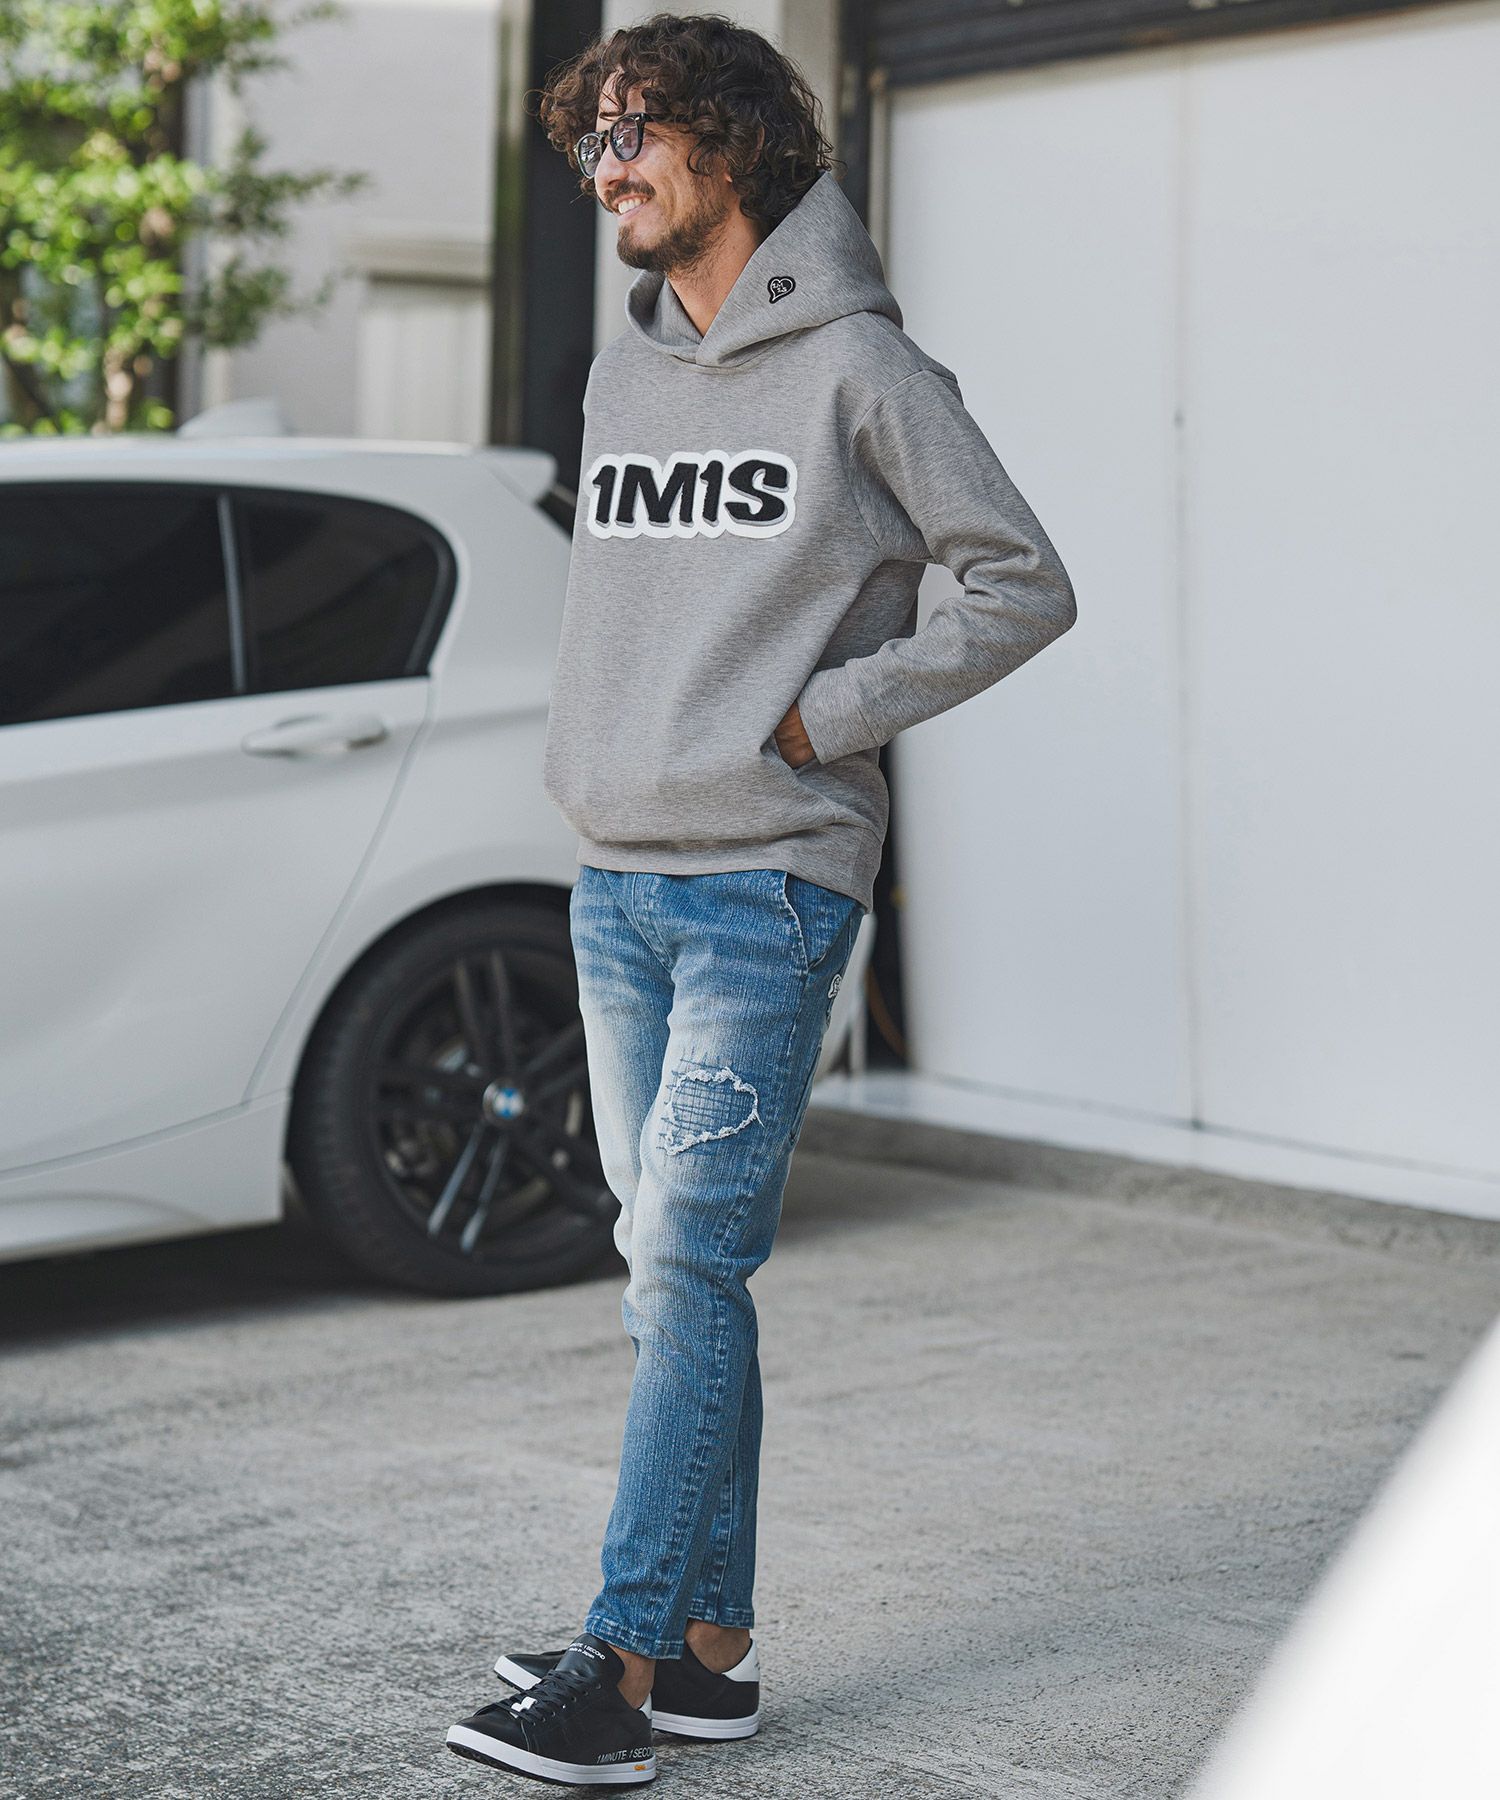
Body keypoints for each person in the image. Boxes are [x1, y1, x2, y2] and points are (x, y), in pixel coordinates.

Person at [446, 12, 1077, 1787]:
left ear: (735, 141)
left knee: (689, 1263)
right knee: (665, 1283)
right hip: (616, 880)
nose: (605, 171)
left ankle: (620, 1666)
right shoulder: (622, 373)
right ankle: (710, 1654)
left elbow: (1020, 582)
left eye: (635, 132)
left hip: (766, 889)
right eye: (591, 139)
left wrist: (829, 715)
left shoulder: (866, 367)